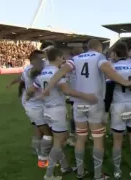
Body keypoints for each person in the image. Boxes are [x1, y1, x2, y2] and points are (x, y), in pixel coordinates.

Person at [41, 39, 131, 180]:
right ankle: (98, 176)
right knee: (98, 139)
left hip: (78, 104)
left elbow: (61, 71)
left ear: (88, 47)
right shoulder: (99, 57)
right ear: (98, 48)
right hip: (94, 102)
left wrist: (48, 87)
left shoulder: (76, 58)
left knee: (80, 138)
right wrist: (126, 82)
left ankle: (80, 172)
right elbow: (109, 71)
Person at [26, 48, 97, 180]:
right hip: (57, 110)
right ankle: (49, 174)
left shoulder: (42, 73)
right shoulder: (57, 73)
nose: (63, 60)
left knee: (60, 139)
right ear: (58, 57)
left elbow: (30, 90)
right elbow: (67, 91)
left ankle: (64, 167)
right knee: (58, 142)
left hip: (46, 110)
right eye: (62, 58)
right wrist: (86, 96)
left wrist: (33, 98)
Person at [104, 42, 131, 180]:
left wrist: (105, 110)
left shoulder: (112, 68)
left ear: (115, 53)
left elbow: (108, 92)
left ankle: (117, 172)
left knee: (117, 141)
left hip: (118, 105)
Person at [19, 50, 52, 168]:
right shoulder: (34, 71)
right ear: (33, 60)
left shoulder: (27, 70)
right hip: (34, 107)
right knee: (47, 133)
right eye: (41, 59)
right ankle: (43, 160)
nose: (43, 62)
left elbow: (22, 83)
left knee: (38, 129)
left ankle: (37, 150)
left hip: (36, 104)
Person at [65, 46, 85, 147]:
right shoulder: (87, 62)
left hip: (75, 95)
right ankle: (81, 135)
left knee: (75, 115)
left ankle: (74, 135)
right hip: (85, 93)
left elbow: (66, 79)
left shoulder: (70, 63)